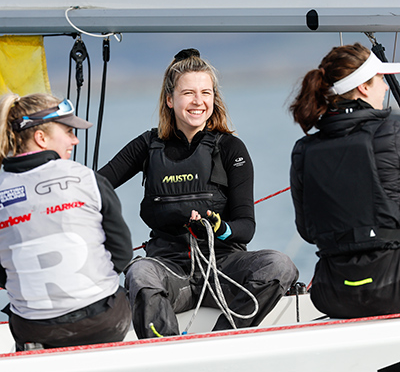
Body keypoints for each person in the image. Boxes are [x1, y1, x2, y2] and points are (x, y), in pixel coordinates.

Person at [98, 48, 298, 339]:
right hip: (170, 270)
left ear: (214, 99)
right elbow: (94, 186)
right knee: (139, 273)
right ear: (170, 100)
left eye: (206, 93)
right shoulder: (147, 145)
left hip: (223, 270)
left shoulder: (231, 148)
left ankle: (221, 340)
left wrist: (219, 227)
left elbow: (246, 227)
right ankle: (166, 351)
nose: (198, 101)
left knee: (279, 265)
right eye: (188, 93)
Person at [0, 93, 133, 350]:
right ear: (41, 138)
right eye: (69, 131)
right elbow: (122, 252)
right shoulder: (86, 178)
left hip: (33, 327)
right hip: (103, 322)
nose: (76, 139)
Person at [289, 42, 400, 318]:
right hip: (395, 287)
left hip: (334, 293)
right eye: (380, 80)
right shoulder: (394, 130)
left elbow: (308, 232)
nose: (386, 87)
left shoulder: (303, 150)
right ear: (363, 87)